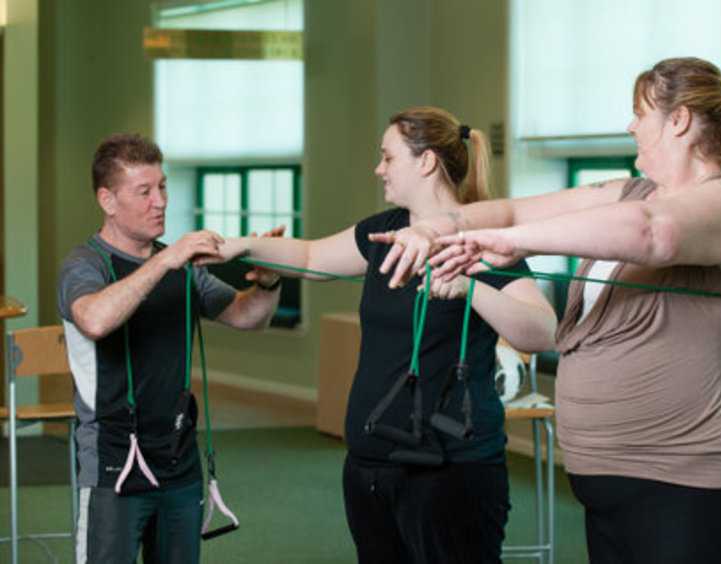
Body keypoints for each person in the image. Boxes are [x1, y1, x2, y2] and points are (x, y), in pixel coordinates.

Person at [374, 58, 721, 564]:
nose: (630, 126)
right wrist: (435, 228)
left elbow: (652, 233)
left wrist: (508, 243)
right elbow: (512, 210)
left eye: (639, 113)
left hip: (698, 483)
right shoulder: (627, 191)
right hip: (608, 484)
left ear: (678, 121)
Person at [202, 107, 557, 563]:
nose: (379, 168)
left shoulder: (477, 240)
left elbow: (543, 331)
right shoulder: (386, 230)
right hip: (371, 467)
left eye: (388, 158)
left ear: (425, 162)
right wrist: (238, 246)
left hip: (448, 472)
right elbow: (309, 257)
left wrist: (469, 289)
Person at [57, 133, 282, 564]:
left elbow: (246, 316)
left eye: (161, 186)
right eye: (143, 192)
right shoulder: (84, 265)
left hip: (178, 461)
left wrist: (268, 282)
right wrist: (163, 259)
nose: (158, 201)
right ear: (107, 200)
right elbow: (95, 319)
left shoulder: (183, 269)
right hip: (112, 464)